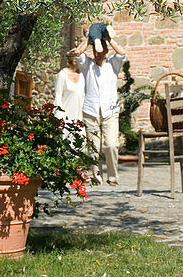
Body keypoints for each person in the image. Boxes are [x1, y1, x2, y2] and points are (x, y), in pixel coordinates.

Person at [75, 23, 129, 185]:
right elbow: (78, 52)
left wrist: (108, 38)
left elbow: (122, 52)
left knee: (112, 145)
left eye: (101, 50)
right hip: (91, 110)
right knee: (93, 148)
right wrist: (90, 38)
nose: (98, 54)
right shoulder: (87, 65)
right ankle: (96, 176)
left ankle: (112, 176)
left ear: (106, 51)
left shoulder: (113, 64)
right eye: (95, 51)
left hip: (110, 111)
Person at [53, 51, 85, 130]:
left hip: (79, 118)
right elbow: (58, 96)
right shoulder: (62, 75)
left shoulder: (82, 75)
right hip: (66, 117)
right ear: (74, 62)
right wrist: (60, 117)